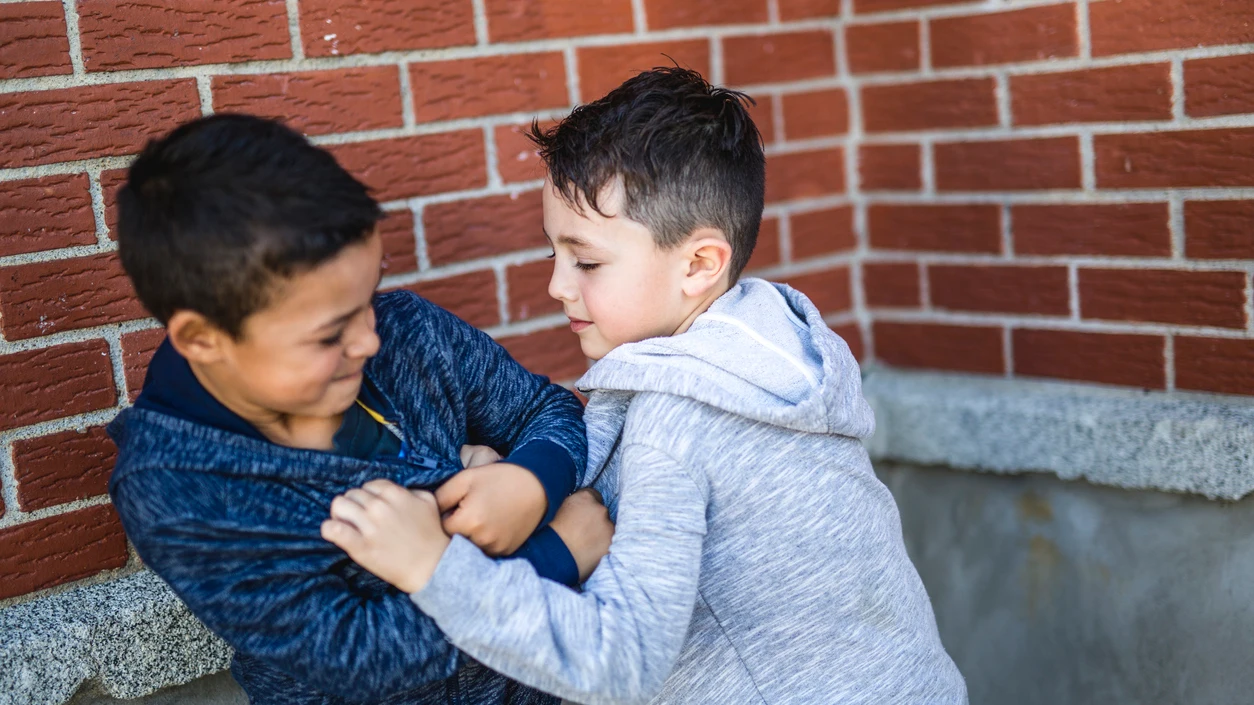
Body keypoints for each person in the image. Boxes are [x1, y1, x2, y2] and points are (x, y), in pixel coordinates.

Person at [322, 68, 967, 704]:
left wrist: (434, 567)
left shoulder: (675, 420)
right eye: (555, 254)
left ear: (698, 264)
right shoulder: (771, 355)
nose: (558, 286)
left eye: (589, 261)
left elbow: (620, 661)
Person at [107, 114, 613, 705]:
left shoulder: (409, 333)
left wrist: (530, 480)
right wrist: (553, 557)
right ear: (203, 340)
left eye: (367, 296)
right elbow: (359, 654)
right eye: (329, 333)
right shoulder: (178, 486)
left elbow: (545, 409)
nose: (369, 340)